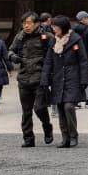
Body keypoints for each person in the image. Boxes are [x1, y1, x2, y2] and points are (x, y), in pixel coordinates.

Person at [9, 12, 54, 147]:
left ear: (36, 24)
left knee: (39, 108)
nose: (26, 26)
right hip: (23, 78)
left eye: (28, 23)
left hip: (40, 78)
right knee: (26, 111)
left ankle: (47, 127)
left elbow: (53, 56)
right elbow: (10, 50)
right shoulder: (20, 36)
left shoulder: (46, 37)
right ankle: (28, 138)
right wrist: (13, 57)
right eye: (24, 23)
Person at [42, 15, 87, 148]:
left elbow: (83, 61)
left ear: (63, 27)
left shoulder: (76, 39)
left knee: (69, 106)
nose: (53, 29)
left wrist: (84, 80)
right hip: (58, 78)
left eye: (55, 26)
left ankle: (73, 135)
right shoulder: (53, 41)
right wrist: (45, 79)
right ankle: (65, 137)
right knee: (61, 108)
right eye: (53, 26)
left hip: (73, 78)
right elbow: (48, 61)